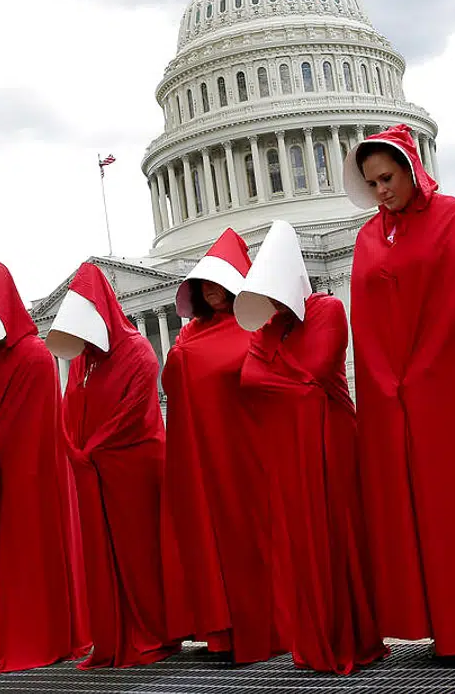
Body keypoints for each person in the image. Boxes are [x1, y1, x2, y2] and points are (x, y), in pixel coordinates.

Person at [345, 125, 455, 664]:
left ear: (411, 169)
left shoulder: (451, 215)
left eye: (387, 178)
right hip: (394, 395)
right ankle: (443, 623)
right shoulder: (368, 237)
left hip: (448, 386)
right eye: (372, 183)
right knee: (416, 507)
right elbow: (365, 319)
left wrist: (423, 372)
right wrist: (382, 381)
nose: (381, 191)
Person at [234, 221, 386, 674]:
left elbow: (316, 371)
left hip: (330, 436)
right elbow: (251, 379)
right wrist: (291, 382)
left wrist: (279, 375)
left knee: (337, 532)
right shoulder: (268, 328)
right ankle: (316, 635)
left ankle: (351, 635)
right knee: (299, 538)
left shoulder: (327, 308)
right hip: (288, 442)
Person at [0, 263, 89, 674]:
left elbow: (33, 428)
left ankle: (44, 633)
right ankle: (25, 630)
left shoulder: (34, 355)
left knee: (32, 553)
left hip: (30, 479)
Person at [49, 263, 183, 668]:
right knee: (101, 556)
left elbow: (134, 408)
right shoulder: (83, 361)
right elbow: (68, 406)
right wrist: (73, 446)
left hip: (133, 468)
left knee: (139, 555)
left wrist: (90, 447)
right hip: (95, 469)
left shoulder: (138, 349)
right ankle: (112, 635)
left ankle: (152, 632)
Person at [159, 229, 273, 664]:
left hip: (246, 448)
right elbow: (173, 381)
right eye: (203, 283)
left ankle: (267, 624)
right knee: (214, 540)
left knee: (251, 537)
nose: (210, 289)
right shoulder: (189, 335)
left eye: (218, 281)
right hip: (204, 452)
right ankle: (224, 630)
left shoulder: (258, 324)